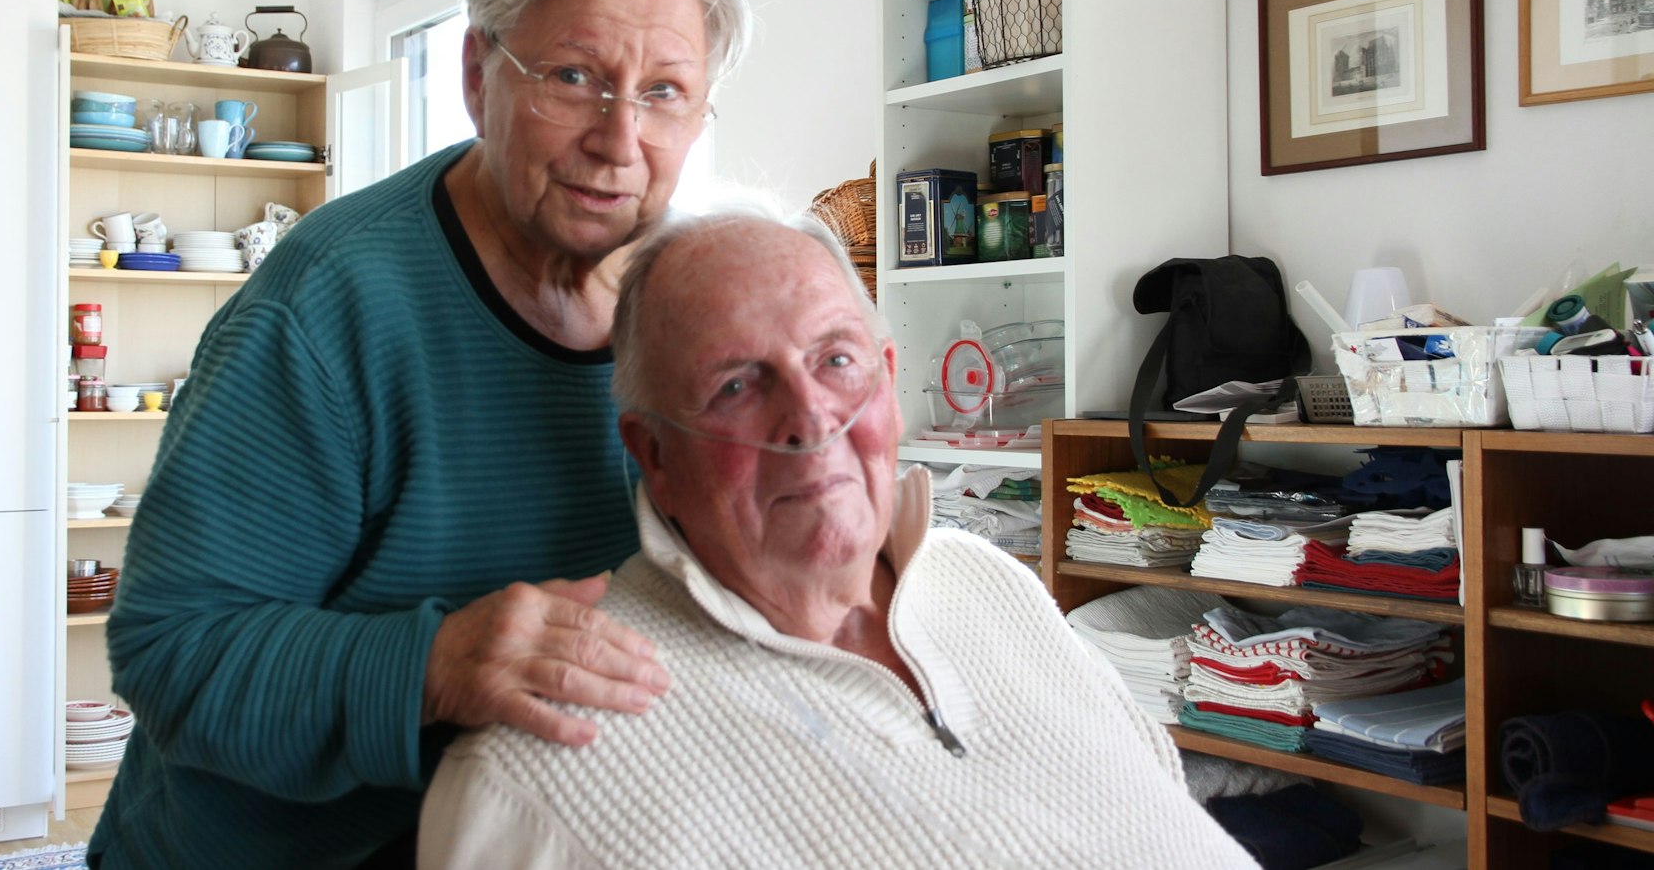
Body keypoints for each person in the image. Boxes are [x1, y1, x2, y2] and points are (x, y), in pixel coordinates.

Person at [87, 0, 751, 869]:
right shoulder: (327, 307)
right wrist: (432, 668)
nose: (619, 142)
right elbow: (170, 649)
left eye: (663, 91)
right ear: (477, 73)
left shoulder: (696, 305)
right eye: (573, 76)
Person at [418, 211, 1259, 869]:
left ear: (891, 383)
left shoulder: (988, 580)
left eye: (836, 360)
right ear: (654, 454)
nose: (810, 418)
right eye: (737, 383)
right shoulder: (545, 767)